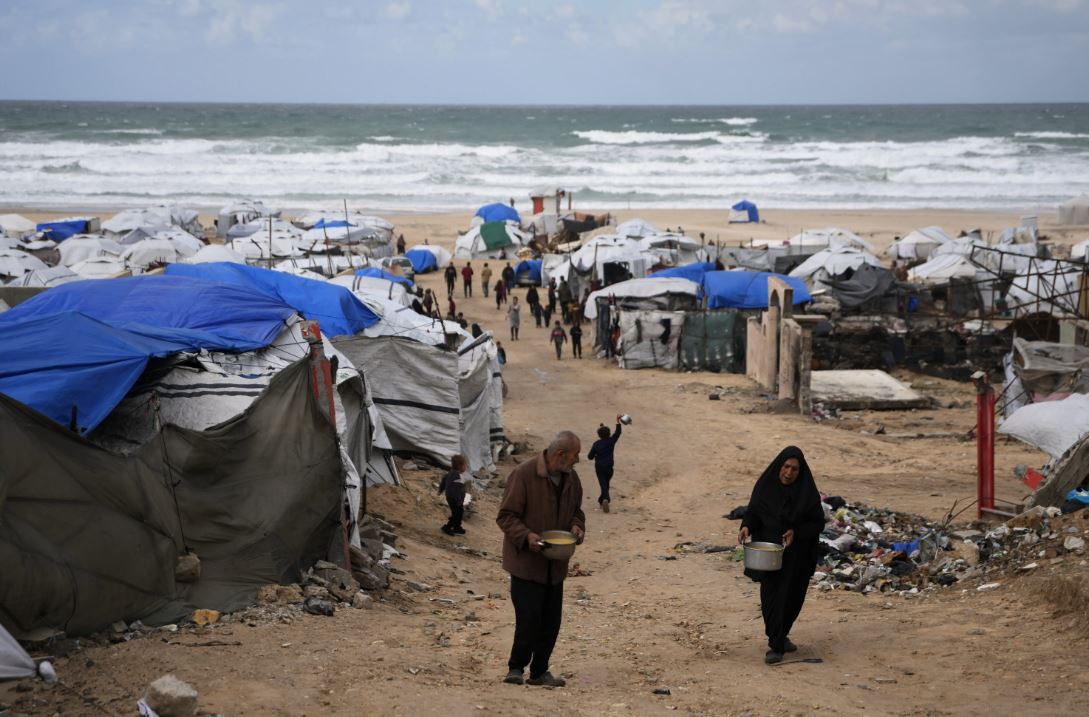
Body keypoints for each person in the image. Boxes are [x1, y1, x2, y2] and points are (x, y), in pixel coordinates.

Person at [496, 431, 585, 687]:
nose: (577, 460)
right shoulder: (524, 475)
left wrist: (577, 527)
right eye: (575, 455)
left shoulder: (571, 478)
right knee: (528, 618)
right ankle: (516, 668)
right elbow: (506, 516)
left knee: (550, 621)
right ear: (560, 454)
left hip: (555, 564)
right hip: (526, 563)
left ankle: (539, 672)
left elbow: (577, 511)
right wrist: (527, 536)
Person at [737, 446, 824, 665]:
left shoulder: (807, 493)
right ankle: (775, 644)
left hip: (797, 556)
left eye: (795, 469)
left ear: (800, 472)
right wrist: (746, 526)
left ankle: (781, 636)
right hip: (769, 553)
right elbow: (754, 512)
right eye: (786, 467)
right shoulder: (765, 487)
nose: (789, 473)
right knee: (771, 598)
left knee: (793, 598)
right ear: (779, 466)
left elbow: (817, 522)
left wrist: (797, 532)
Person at [587, 416, 623, 512]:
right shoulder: (611, 441)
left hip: (599, 467)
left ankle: (605, 499)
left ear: (599, 435)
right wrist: (618, 422)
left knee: (603, 483)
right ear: (609, 434)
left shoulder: (596, 444)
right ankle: (602, 500)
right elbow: (618, 433)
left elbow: (590, 457)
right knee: (606, 483)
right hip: (609, 466)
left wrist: (596, 455)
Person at [438, 454, 469, 535]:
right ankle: (447, 527)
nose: (466, 467)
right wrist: (458, 500)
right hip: (454, 499)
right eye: (465, 465)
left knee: (459, 512)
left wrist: (441, 490)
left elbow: (444, 480)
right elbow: (455, 490)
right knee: (456, 513)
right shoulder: (456, 476)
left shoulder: (452, 473)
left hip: (455, 499)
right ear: (460, 466)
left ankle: (457, 527)